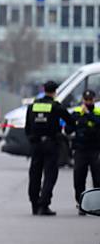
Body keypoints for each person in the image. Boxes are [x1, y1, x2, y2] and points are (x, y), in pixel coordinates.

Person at [25, 80, 74, 216]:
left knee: (34, 174)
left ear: (43, 89)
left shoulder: (33, 106)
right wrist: (65, 132)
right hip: (51, 144)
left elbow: (27, 126)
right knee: (50, 175)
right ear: (55, 92)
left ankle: (34, 204)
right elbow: (70, 121)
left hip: (36, 145)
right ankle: (44, 204)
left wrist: (32, 139)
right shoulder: (56, 106)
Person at [68, 89, 100, 215]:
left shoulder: (97, 112)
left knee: (97, 178)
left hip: (95, 150)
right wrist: (76, 118)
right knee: (79, 178)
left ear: (94, 100)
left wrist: (87, 114)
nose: (88, 102)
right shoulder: (76, 112)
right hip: (80, 150)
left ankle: (97, 204)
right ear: (83, 100)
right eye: (86, 100)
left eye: (90, 100)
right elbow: (69, 129)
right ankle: (81, 203)